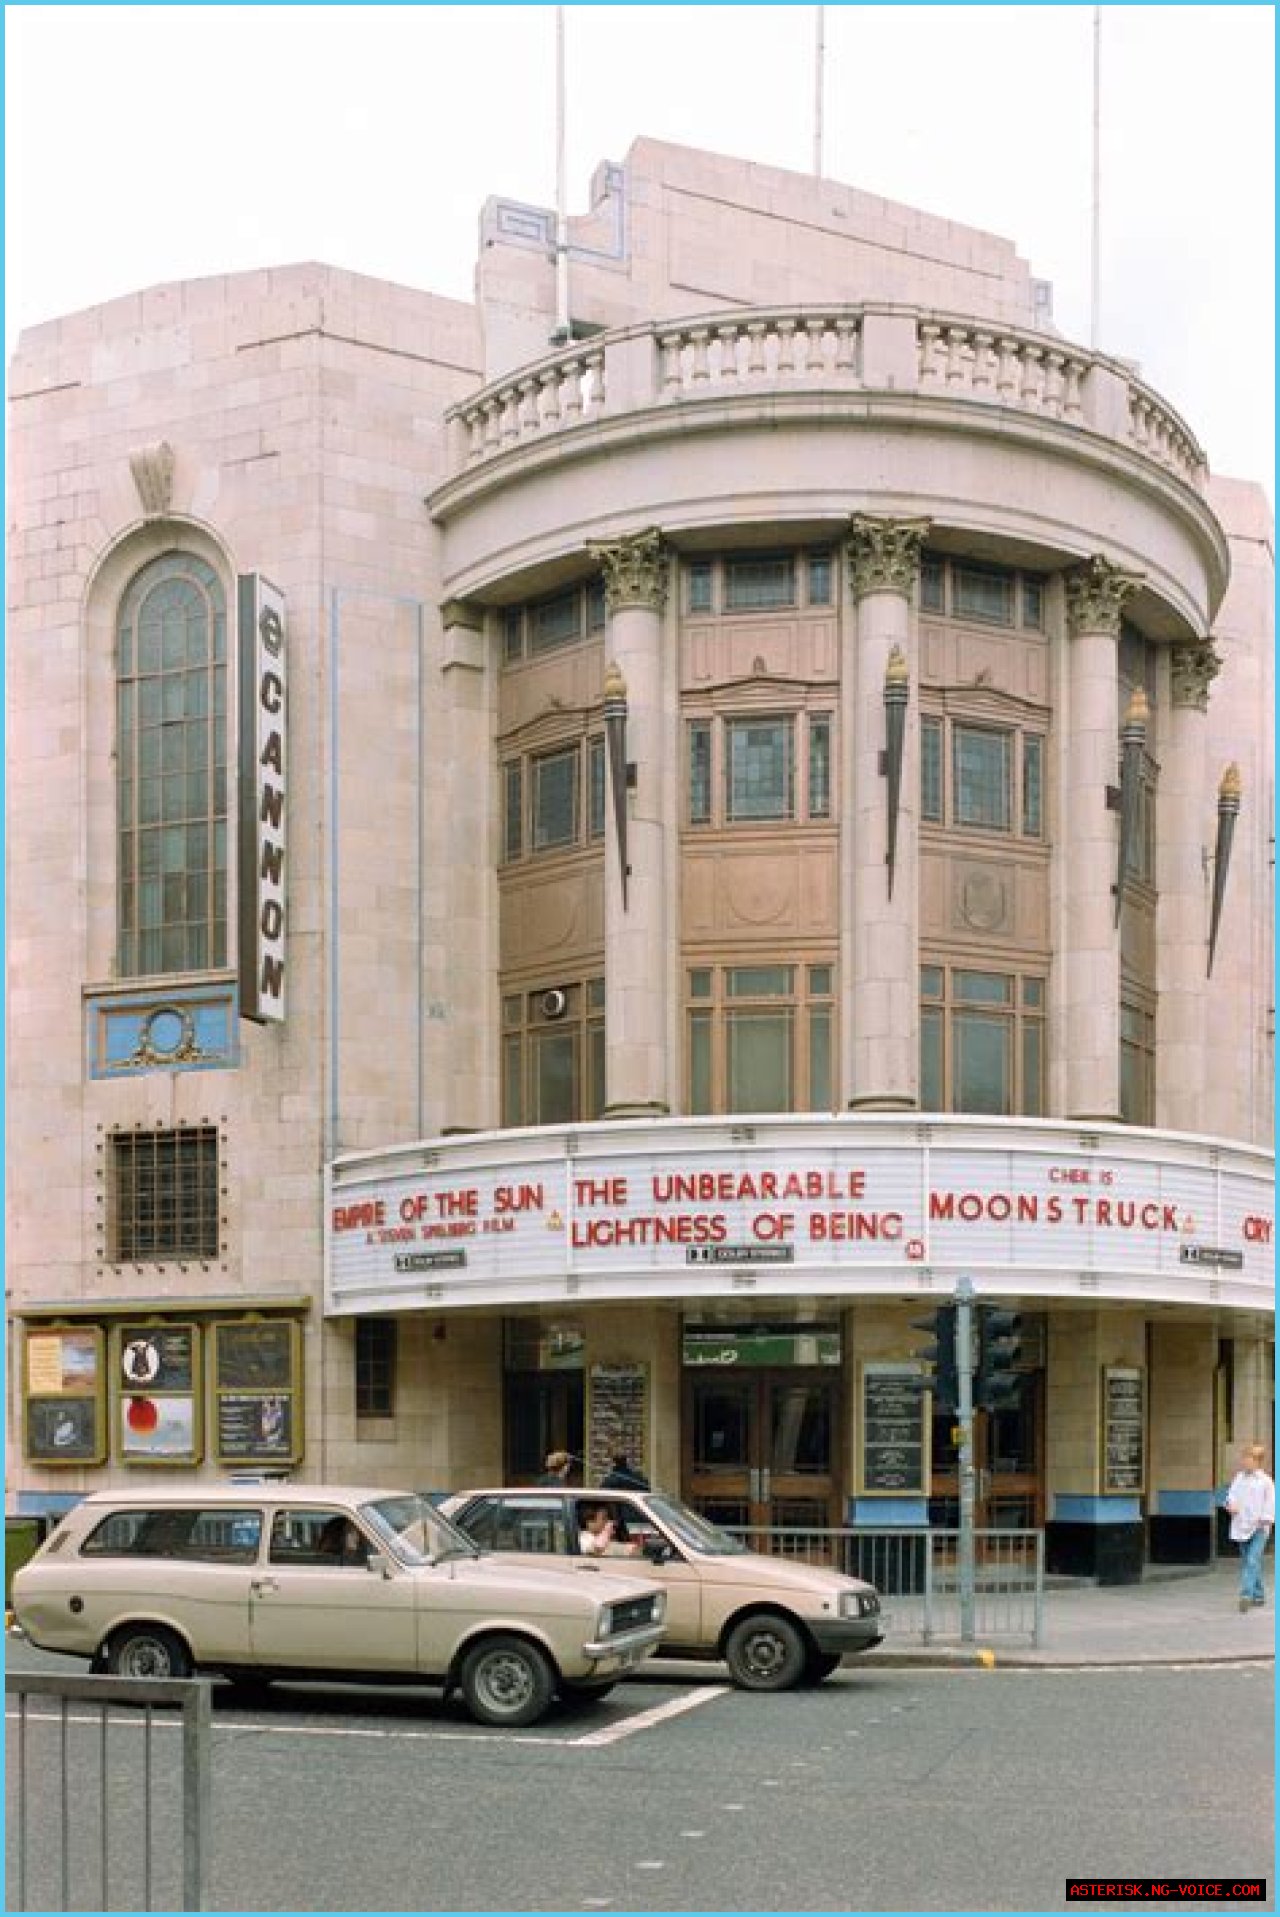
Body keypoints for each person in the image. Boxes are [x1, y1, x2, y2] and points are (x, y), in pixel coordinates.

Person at [1225, 1442, 1274, 1611]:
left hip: (1259, 1527)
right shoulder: (1239, 1478)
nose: (1245, 1461)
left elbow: (1270, 1503)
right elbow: (1231, 1496)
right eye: (1244, 1458)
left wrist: (1265, 1519)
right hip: (1241, 1524)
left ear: (1257, 1461)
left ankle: (1246, 1595)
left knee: (1252, 1560)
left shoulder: (1266, 1481)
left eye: (1249, 1458)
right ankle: (1259, 1594)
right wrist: (1231, 1505)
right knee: (1249, 1561)